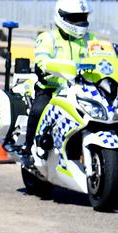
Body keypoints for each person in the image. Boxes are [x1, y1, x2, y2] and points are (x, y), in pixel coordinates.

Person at [22, 0, 97, 166]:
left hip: (82, 90)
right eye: (75, 17)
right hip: (52, 89)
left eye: (83, 17)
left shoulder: (91, 39)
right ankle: (28, 149)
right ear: (62, 17)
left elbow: (103, 59)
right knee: (39, 110)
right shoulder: (48, 38)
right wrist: (60, 67)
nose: (80, 21)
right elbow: (42, 61)